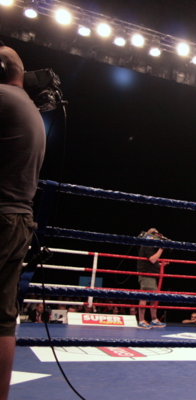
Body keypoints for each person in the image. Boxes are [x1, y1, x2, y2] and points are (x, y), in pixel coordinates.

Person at [0, 43, 46, 400]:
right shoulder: (28, 107)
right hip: (20, 219)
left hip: (1, 216)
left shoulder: (4, 98)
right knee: (3, 321)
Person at [136, 228, 168, 329]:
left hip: (151, 274)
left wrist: (160, 264)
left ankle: (154, 319)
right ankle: (141, 321)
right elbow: (152, 259)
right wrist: (161, 249)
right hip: (146, 275)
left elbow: (152, 262)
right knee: (144, 297)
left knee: (154, 298)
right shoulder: (147, 245)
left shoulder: (150, 246)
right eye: (157, 234)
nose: (159, 236)